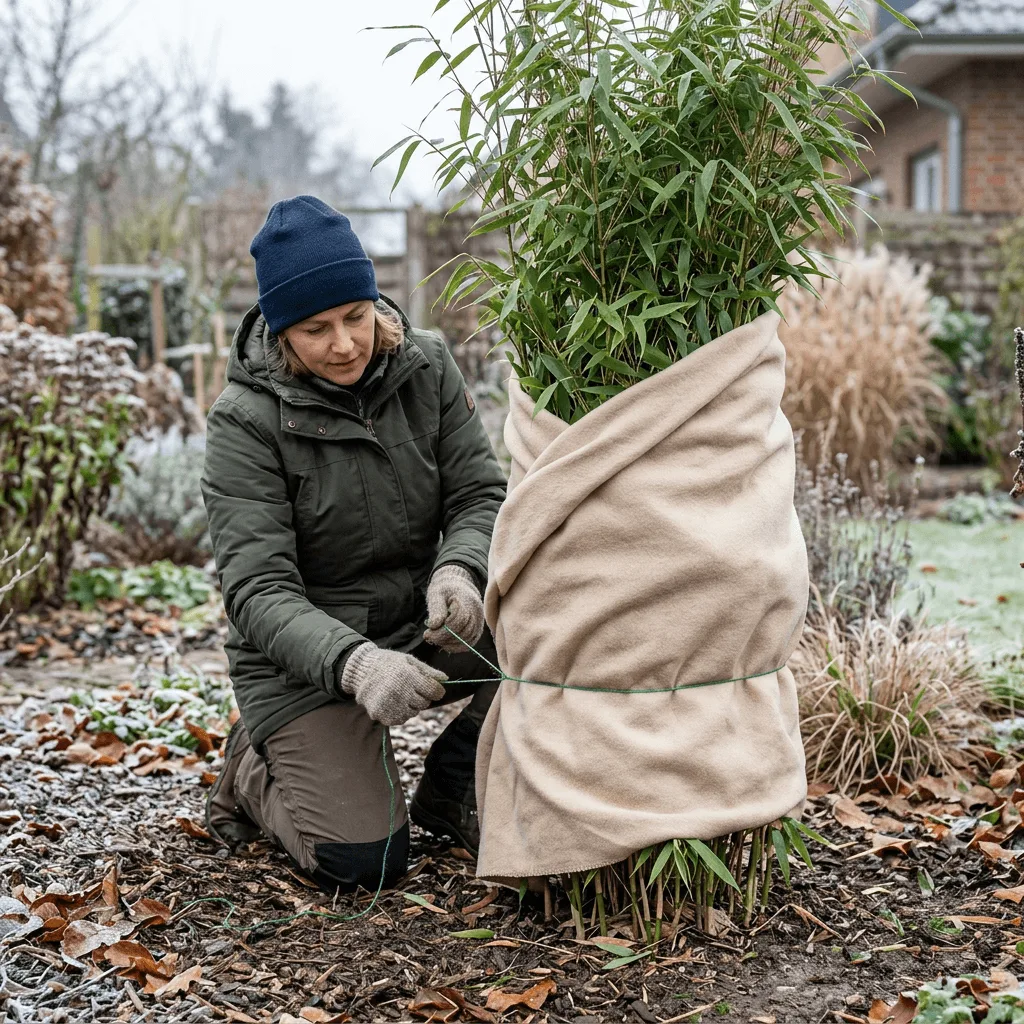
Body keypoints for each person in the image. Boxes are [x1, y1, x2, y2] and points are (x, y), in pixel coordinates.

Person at [200, 195, 506, 893]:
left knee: (555, 627)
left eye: (356, 317)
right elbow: (257, 592)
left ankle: (454, 785)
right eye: (316, 328)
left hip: (422, 621)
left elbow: (479, 494)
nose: (344, 343)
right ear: (282, 333)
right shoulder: (244, 422)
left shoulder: (426, 367)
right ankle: (251, 768)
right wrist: (356, 664)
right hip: (307, 662)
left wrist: (460, 571)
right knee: (364, 864)